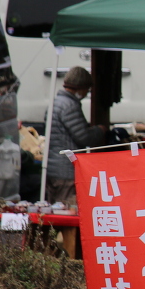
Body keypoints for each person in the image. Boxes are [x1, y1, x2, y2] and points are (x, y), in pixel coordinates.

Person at [46, 66, 105, 205]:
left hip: (52, 167)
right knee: (65, 210)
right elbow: (83, 137)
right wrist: (100, 130)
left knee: (54, 210)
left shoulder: (55, 102)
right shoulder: (70, 106)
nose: (86, 93)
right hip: (66, 170)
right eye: (87, 89)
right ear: (80, 87)